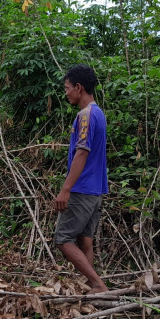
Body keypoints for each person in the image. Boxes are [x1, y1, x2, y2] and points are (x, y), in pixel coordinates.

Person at [54, 64, 109, 294]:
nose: (66, 93)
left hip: (82, 188)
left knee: (63, 239)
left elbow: (82, 153)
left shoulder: (85, 116)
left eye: (67, 88)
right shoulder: (99, 113)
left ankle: (97, 284)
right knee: (85, 238)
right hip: (96, 190)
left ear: (79, 87)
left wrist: (66, 189)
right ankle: (90, 286)